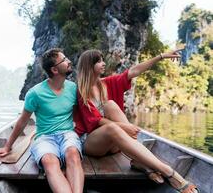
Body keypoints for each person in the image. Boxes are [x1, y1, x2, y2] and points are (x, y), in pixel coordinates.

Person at [74, 49, 198, 193]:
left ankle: (139, 161)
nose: (104, 63)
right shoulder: (82, 90)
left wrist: (160, 56)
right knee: (112, 128)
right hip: (93, 144)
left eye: (103, 60)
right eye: (99, 61)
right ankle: (169, 172)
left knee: (111, 105)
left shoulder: (107, 83)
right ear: (89, 65)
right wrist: (124, 127)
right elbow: (95, 121)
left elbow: (133, 71)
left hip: (114, 144)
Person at [0, 48, 84, 193]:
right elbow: (22, 121)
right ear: (54, 70)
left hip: (68, 134)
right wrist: (7, 147)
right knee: (49, 161)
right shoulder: (35, 93)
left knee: (73, 154)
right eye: (64, 60)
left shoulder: (73, 88)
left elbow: (79, 113)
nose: (69, 61)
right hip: (44, 137)